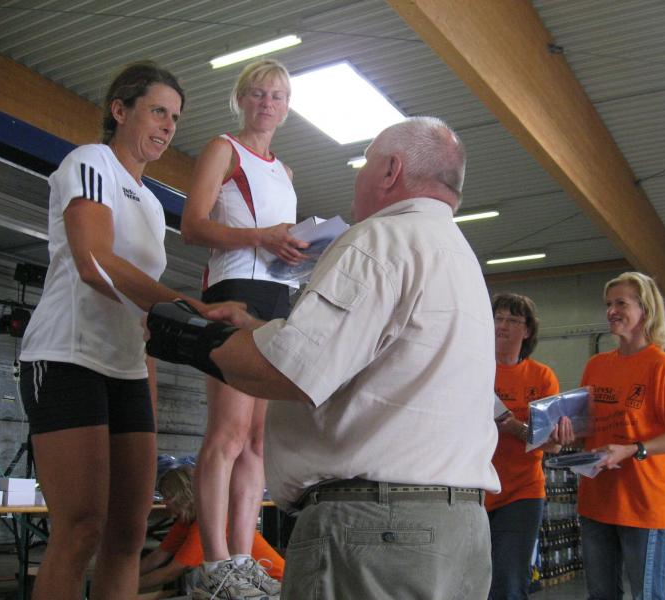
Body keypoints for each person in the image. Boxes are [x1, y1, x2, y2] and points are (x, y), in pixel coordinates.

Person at [146, 116, 501, 599]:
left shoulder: (380, 240)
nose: (357, 177)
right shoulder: (459, 259)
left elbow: (287, 373)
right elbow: (371, 354)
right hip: (460, 534)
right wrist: (257, 329)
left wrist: (184, 335)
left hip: (376, 532)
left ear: (391, 170)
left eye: (365, 163)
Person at [17, 62, 228, 600]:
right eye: (157, 111)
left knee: (129, 534)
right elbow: (94, 261)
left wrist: (147, 384)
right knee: (81, 528)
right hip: (68, 357)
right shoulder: (91, 162)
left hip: (128, 367)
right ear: (119, 109)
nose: (168, 126)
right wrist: (183, 306)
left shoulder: (154, 205)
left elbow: (141, 316)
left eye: (175, 118)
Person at [179, 58, 307, 598]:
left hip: (277, 297)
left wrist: (295, 250)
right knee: (228, 434)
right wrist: (261, 236)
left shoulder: (285, 172)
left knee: (257, 441)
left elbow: (278, 239)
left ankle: (241, 557)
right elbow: (192, 226)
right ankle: (214, 563)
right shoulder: (223, 149)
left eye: (277, 95)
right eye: (257, 92)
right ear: (240, 99)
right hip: (233, 290)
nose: (266, 103)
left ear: (287, 106)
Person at [577, 272, 665, 600]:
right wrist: (563, 433)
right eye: (608, 304)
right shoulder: (596, 366)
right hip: (596, 503)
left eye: (621, 303)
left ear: (645, 309)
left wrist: (633, 449)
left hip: (643, 506)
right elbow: (584, 428)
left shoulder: (662, 367)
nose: (611, 311)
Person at [486, 293, 572, 600]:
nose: (502, 326)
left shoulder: (541, 376)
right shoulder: (474, 368)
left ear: (527, 330)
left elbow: (553, 446)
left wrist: (514, 427)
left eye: (512, 320)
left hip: (521, 492)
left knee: (509, 582)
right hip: (474, 489)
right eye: (498, 318)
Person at [139, 465, 284, 594]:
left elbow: (170, 573)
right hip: (245, 583)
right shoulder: (186, 521)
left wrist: (129, 586)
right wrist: (128, 575)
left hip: (274, 585)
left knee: (198, 574)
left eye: (167, 497)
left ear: (182, 497)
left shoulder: (209, 523)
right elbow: (156, 557)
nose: (164, 503)